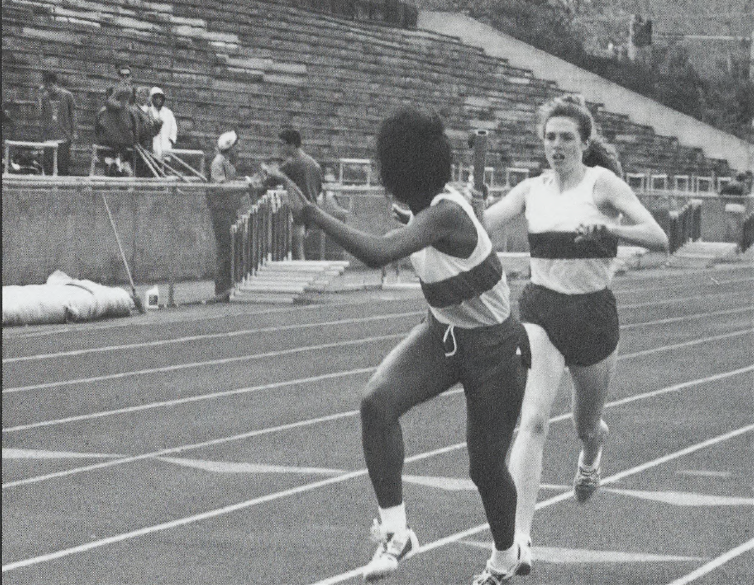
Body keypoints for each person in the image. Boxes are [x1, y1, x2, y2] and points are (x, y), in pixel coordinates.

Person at [265, 108, 531, 584]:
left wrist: (312, 214)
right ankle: (396, 531)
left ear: (403, 173)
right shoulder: (427, 206)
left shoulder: (444, 214)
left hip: (495, 348)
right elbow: (407, 222)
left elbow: (378, 253)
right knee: (377, 402)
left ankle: (507, 554)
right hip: (444, 333)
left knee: (486, 468)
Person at [482, 94, 669, 575]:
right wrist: (428, 219)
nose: (557, 145)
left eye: (567, 137)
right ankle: (519, 539)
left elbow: (659, 238)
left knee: (586, 422)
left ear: (584, 143)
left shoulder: (602, 183)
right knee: (534, 421)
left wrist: (610, 228)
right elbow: (478, 227)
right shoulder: (530, 191)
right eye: (550, 137)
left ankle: (591, 452)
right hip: (541, 309)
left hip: (592, 316)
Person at [277, 127, 323, 259]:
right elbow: (319, 188)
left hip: (298, 215)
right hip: (313, 210)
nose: (280, 149)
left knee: (298, 251)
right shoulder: (314, 164)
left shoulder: (291, 164)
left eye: (282, 145)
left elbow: (271, 179)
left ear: (291, 145)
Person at [94, 85, 138, 176]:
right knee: (124, 174)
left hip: (106, 145)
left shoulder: (103, 111)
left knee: (106, 173)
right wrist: (134, 142)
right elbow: (135, 129)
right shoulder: (129, 110)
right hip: (124, 147)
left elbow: (97, 129)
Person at [39, 71, 77, 175]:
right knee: (48, 167)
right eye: (47, 86)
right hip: (49, 136)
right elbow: (41, 115)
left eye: (51, 85)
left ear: (56, 84)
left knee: (62, 166)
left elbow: (73, 115)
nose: (49, 88)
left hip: (63, 136)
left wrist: (74, 133)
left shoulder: (67, 96)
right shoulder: (44, 97)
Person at [149, 87, 177, 159]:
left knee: (165, 165)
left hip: (165, 145)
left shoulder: (168, 112)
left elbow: (173, 128)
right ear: (152, 99)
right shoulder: (148, 111)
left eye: (160, 98)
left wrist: (171, 140)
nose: (159, 100)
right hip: (153, 145)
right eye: (156, 98)